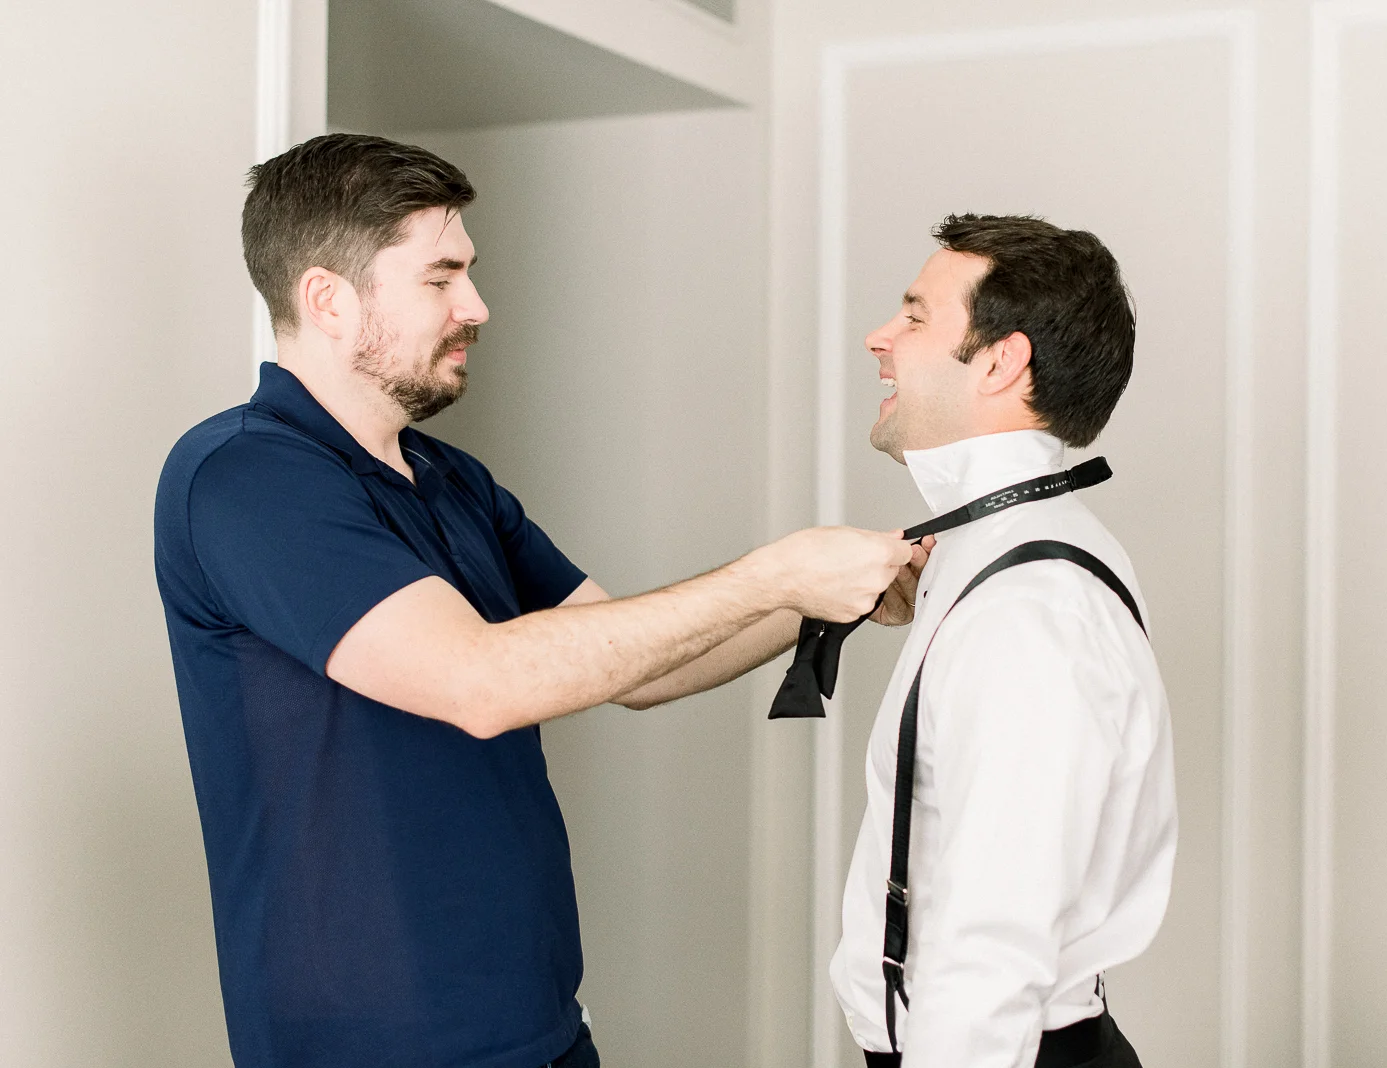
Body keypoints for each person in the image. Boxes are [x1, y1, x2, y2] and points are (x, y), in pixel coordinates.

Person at [153, 133, 926, 1068]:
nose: (476, 306)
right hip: (370, 1044)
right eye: (441, 278)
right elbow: (480, 685)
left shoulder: (451, 478)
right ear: (328, 298)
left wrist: (817, 600)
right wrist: (772, 576)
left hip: (538, 1026)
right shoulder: (246, 476)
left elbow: (634, 666)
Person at [829, 215, 1177, 1068]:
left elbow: (992, 950)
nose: (879, 338)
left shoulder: (1029, 608)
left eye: (915, 317)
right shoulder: (994, 549)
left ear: (1000, 362)